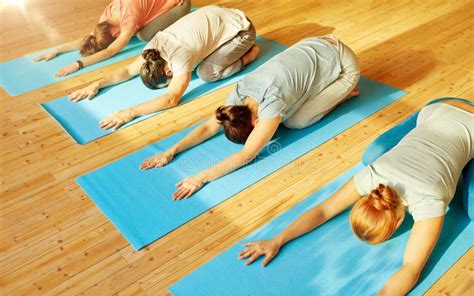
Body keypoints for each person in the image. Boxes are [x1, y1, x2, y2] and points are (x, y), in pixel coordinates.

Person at [237, 99, 473, 296]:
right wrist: (277, 239)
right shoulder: (373, 177)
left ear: (399, 221)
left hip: (464, 119)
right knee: (372, 156)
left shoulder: (428, 202)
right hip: (436, 108)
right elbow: (322, 212)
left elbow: (411, 267)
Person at [140, 35, 361, 201]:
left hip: (343, 64)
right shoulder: (238, 97)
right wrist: (170, 151)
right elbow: (208, 128)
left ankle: (340, 94)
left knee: (295, 122)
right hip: (313, 44)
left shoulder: (272, 105)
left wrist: (201, 177)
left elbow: (247, 155)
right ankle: (322, 89)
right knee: (288, 111)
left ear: (255, 123)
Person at [68, 5, 260, 130]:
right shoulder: (153, 48)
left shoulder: (180, 57)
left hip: (242, 29)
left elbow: (171, 99)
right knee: (199, 63)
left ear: (169, 71)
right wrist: (96, 84)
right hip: (218, 15)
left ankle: (249, 55)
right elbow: (127, 71)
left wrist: (129, 112)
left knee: (206, 73)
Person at [34, 0, 191, 77]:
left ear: (115, 35)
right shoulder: (107, 15)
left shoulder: (129, 20)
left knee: (143, 35)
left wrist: (78, 65)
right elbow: (90, 36)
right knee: (140, 29)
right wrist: (57, 50)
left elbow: (110, 51)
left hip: (180, 4)